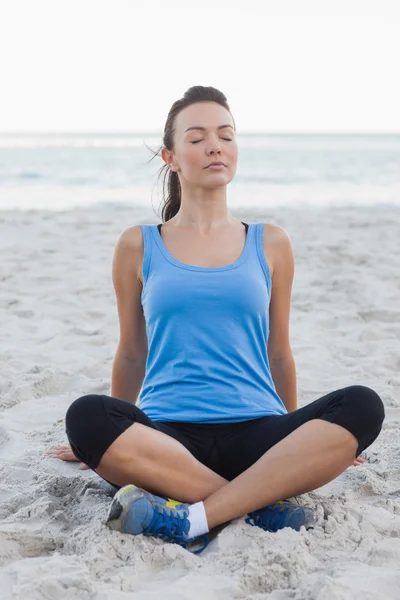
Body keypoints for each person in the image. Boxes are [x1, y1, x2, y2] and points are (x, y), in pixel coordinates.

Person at [47, 86, 385, 554]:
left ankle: (192, 516)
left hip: (258, 432)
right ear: (171, 156)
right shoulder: (137, 245)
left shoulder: (271, 243)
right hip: (168, 437)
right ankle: (254, 504)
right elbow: (131, 352)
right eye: (198, 137)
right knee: (86, 416)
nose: (215, 146)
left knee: (364, 405)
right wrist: (106, 447)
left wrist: (299, 441)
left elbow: (279, 351)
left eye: (226, 136)